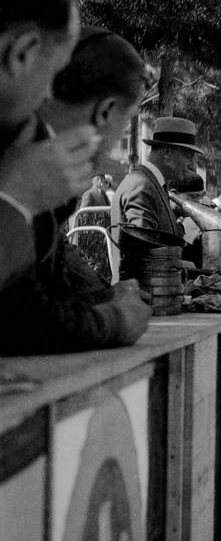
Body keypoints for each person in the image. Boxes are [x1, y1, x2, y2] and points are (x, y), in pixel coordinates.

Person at [1, 20, 153, 353]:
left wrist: (103, 296)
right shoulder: (30, 162)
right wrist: (117, 320)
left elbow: (44, 284)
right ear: (106, 111)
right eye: (124, 125)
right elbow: (25, 319)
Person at [0, 0, 100, 292]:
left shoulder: (21, 135)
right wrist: (17, 199)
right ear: (22, 53)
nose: (46, 95)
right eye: (52, 72)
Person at [113, 116, 205, 276]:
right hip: (146, 295)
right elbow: (146, 256)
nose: (191, 165)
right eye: (188, 156)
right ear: (167, 153)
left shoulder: (154, 185)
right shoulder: (142, 186)